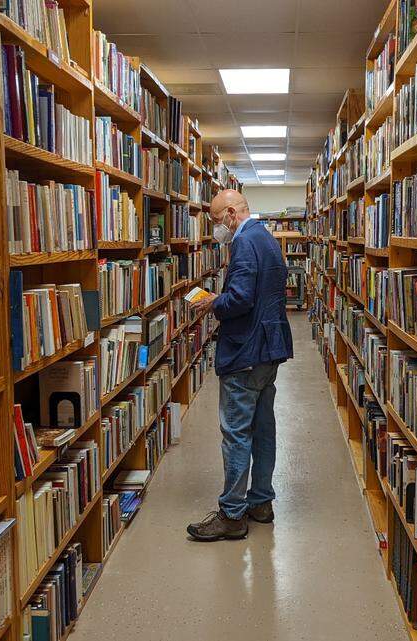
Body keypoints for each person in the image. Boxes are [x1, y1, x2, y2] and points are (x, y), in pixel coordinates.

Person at [186, 189, 293, 542]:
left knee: (235, 433)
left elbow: (242, 298)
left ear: (231, 213)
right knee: (263, 429)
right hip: (269, 349)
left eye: (217, 221)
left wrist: (214, 302)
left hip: (245, 351)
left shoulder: (244, 242)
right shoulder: (267, 238)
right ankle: (260, 502)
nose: (217, 230)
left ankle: (232, 514)